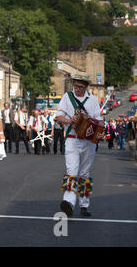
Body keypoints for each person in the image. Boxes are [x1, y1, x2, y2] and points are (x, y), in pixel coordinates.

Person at [55, 74, 104, 217]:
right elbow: (58, 117)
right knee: (71, 172)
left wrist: (100, 132)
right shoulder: (67, 97)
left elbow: (99, 119)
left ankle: (84, 204)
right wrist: (69, 120)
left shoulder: (93, 100)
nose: (77, 89)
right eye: (75, 86)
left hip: (88, 142)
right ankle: (68, 202)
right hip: (72, 139)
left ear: (86, 87)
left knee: (85, 174)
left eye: (80, 87)